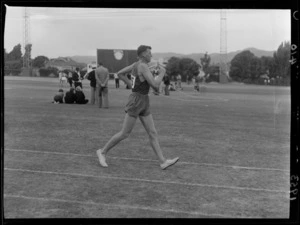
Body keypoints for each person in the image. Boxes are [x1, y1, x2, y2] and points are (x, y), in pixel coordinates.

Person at [96, 45, 179, 170]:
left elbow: (120, 73)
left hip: (144, 100)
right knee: (125, 133)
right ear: (143, 55)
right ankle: (102, 152)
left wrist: (132, 86)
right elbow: (155, 86)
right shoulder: (142, 66)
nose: (151, 55)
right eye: (149, 53)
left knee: (152, 132)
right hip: (136, 102)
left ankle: (162, 161)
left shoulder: (137, 64)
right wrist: (162, 73)